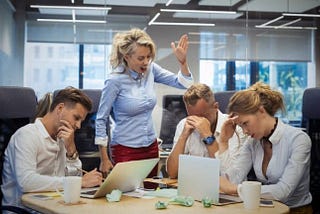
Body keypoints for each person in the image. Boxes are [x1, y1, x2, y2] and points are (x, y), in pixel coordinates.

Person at [95, 28, 194, 178]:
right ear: (127, 57)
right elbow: (101, 119)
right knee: (127, 196)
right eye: (141, 58)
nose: (146, 62)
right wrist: (104, 158)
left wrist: (183, 62)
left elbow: (183, 84)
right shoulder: (114, 80)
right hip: (125, 148)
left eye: (149, 57)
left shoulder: (151, 70)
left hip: (151, 147)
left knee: (150, 193)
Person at [1, 87, 103, 208]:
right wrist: (80, 182)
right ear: (60, 108)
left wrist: (71, 150)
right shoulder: (26, 135)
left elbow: (74, 179)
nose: (79, 125)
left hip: (53, 206)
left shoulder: (62, 138)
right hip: (24, 209)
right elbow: (26, 182)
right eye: (76, 118)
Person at [219, 82, 312, 212]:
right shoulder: (253, 142)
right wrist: (223, 142)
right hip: (264, 208)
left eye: (246, 123)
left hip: (295, 210)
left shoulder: (298, 139)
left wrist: (236, 189)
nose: (244, 131)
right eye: (240, 126)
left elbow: (283, 191)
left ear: (261, 111)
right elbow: (233, 179)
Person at [166, 83, 246, 178]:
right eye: (193, 116)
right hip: (196, 186)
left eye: (203, 116)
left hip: (225, 189)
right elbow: (172, 173)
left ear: (216, 107)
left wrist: (207, 136)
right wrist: (183, 137)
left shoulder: (234, 127)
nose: (198, 122)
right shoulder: (184, 124)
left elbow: (229, 175)